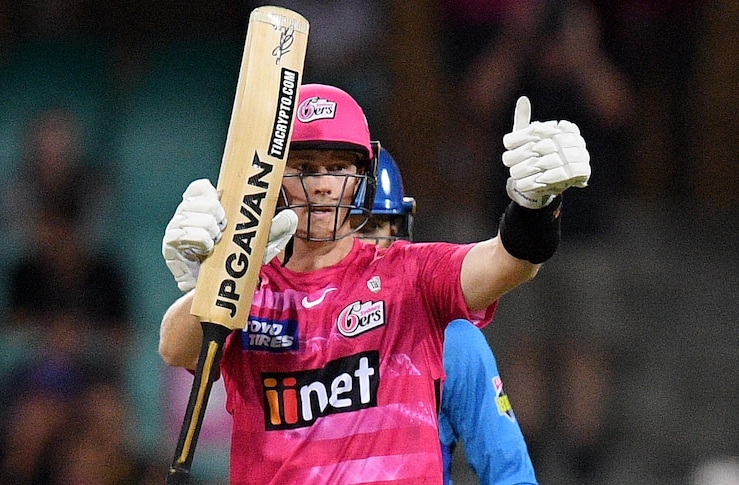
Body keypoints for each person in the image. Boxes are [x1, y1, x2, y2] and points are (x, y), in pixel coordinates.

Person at [159, 83, 590, 483]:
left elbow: (509, 262)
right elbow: (174, 347)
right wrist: (215, 278)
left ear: (362, 173)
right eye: (305, 168)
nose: (324, 185)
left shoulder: (411, 275)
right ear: (274, 178)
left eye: (339, 167)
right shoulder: (248, 290)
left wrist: (534, 207)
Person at [354, 148, 538, 484]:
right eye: (352, 227)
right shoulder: (277, 319)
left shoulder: (451, 340)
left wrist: (537, 218)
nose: (364, 247)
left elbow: (508, 472)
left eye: (374, 227)